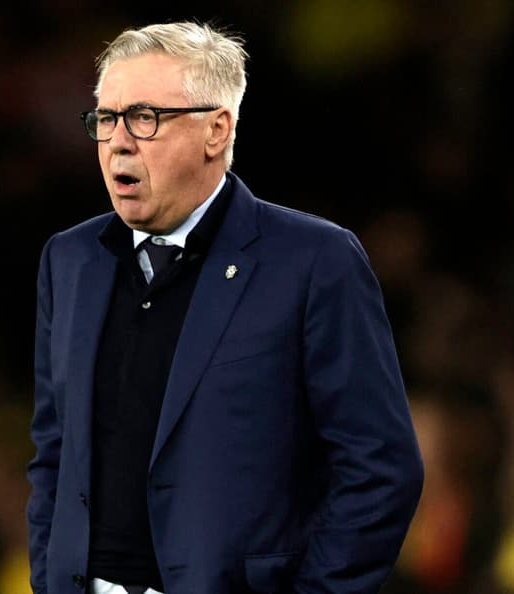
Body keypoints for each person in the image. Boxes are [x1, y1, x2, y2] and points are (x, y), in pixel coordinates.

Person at [26, 21, 423, 594]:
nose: (118, 141)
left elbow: (381, 470)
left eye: (145, 117)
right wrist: (49, 572)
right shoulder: (69, 260)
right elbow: (53, 455)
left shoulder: (314, 261)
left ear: (217, 129)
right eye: (106, 119)